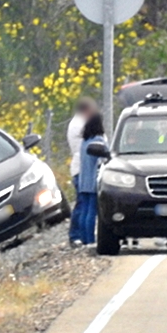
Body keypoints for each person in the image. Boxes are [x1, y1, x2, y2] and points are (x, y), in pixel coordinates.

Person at [67, 97, 99, 244]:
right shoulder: (81, 124)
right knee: (83, 204)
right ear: (86, 110)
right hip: (83, 168)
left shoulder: (76, 123)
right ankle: (77, 235)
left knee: (82, 204)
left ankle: (78, 235)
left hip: (79, 166)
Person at [75, 114, 106, 246]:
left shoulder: (84, 141)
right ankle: (91, 240)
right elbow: (106, 156)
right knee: (92, 212)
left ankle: (84, 238)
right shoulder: (99, 140)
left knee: (84, 210)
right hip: (94, 180)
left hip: (83, 180)